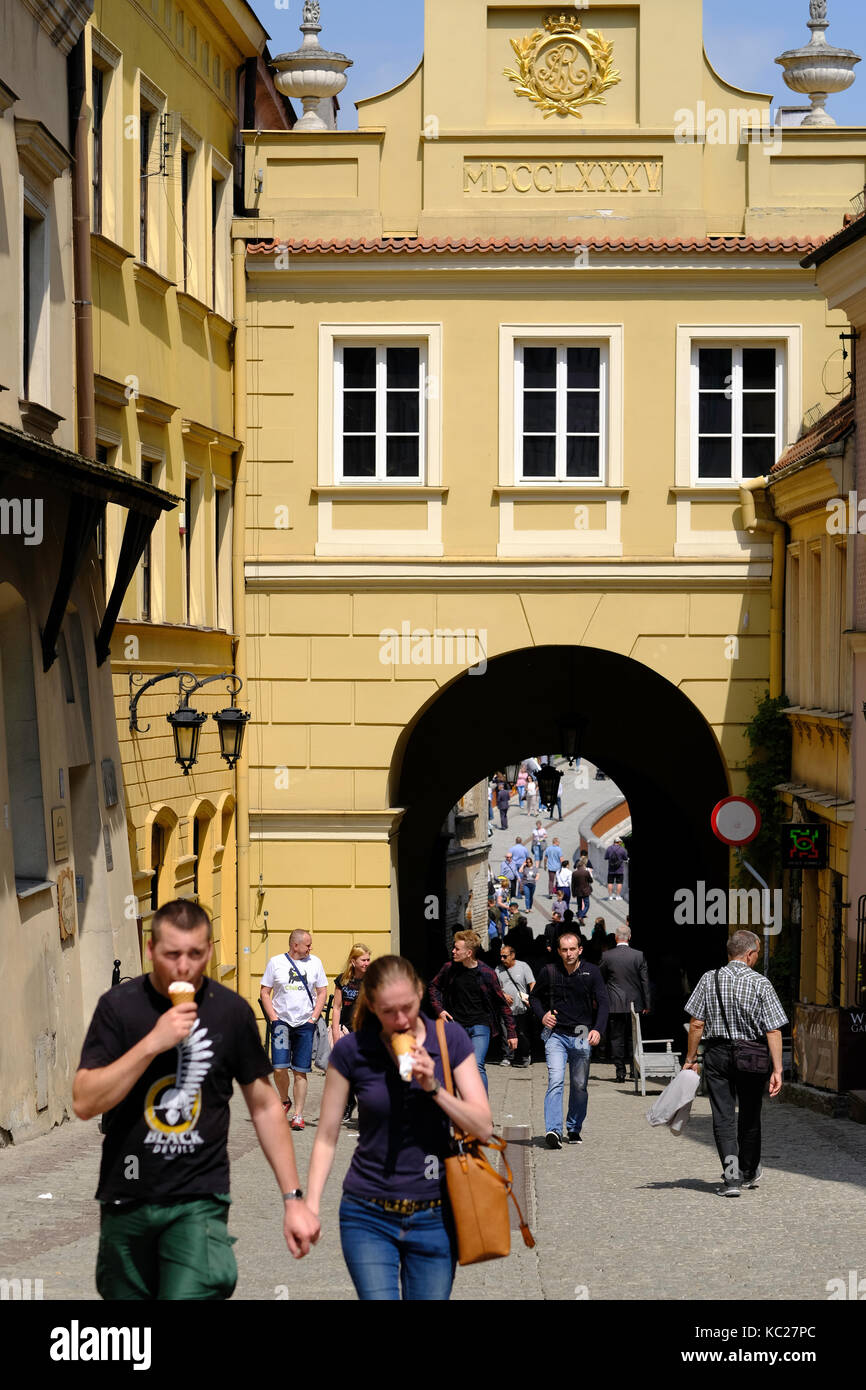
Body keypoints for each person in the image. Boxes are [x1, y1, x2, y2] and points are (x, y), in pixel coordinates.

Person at [72, 899, 320, 1299]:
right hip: (126, 1196)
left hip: (197, 1199)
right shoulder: (119, 1007)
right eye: (171, 954)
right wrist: (152, 1043)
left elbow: (264, 1105)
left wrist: (293, 1199)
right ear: (151, 951)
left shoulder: (230, 1012)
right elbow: (84, 1101)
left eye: (195, 954)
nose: (183, 966)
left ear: (208, 952)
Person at [306, 955, 493, 1301]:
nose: (402, 1019)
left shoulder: (449, 1039)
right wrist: (310, 1205)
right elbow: (327, 1136)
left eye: (408, 1007)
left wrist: (434, 1087)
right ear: (372, 1006)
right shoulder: (352, 1050)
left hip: (436, 1213)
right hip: (367, 1212)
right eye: (389, 1011)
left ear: (420, 992)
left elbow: (483, 1126)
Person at [683, 929, 787, 1196]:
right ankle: (749, 1170)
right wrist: (777, 1069)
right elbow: (773, 1030)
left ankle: (731, 1179)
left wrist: (690, 1059)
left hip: (717, 1054)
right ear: (750, 954)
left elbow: (696, 1023)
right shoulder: (761, 983)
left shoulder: (709, 979)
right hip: (753, 1054)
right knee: (750, 1113)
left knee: (724, 1116)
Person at [531, 932, 609, 1148]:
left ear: (580, 950)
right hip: (556, 1035)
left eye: (572, 949)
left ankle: (574, 1128)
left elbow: (603, 1002)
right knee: (555, 1080)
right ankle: (553, 1131)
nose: (568, 954)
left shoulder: (591, 972)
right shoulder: (550, 971)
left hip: (583, 1032)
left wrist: (598, 1030)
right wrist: (542, 1015)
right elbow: (535, 997)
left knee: (579, 1084)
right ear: (558, 951)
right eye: (564, 950)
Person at [429, 930, 517, 1091]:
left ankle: (481, 1111)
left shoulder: (486, 973)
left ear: (469, 953)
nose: (453, 951)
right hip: (456, 1026)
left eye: (457, 949)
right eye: (453, 948)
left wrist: (511, 1033)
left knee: (476, 1065)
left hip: (480, 1026)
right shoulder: (449, 969)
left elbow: (502, 1004)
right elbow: (434, 987)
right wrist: (439, 1010)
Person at [260, 929, 328, 1131]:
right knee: (279, 1067)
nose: (311, 948)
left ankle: (298, 1115)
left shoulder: (315, 962)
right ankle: (284, 1099)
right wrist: (274, 1018)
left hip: (305, 1024)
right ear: (295, 945)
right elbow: (265, 992)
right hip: (281, 1022)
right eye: (308, 944)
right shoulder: (276, 962)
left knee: (301, 1071)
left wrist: (313, 1018)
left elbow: (322, 991)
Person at [600, 924, 650, 1082]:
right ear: (629, 937)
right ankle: (635, 1070)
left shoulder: (607, 956)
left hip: (614, 1002)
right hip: (635, 1003)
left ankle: (619, 1072)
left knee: (617, 1038)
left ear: (616, 937)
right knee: (634, 1038)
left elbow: (600, 978)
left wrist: (599, 999)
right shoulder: (639, 955)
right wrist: (647, 1004)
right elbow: (645, 982)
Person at [495, 942, 535, 1068]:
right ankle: (508, 1057)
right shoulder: (498, 969)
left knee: (522, 1033)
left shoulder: (523, 966)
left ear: (513, 955)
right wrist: (503, 995)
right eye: (501, 956)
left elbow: (532, 983)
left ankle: (524, 1056)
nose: (502, 959)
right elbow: (494, 987)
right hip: (505, 1008)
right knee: (506, 1033)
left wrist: (531, 999)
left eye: (505, 956)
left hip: (521, 1007)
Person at [571, 855, 594, 924]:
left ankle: (581, 917)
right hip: (585, 891)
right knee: (587, 904)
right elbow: (591, 880)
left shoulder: (574, 873)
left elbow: (573, 884)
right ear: (583, 866)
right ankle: (581, 915)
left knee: (579, 905)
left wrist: (573, 893)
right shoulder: (586, 872)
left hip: (578, 891)